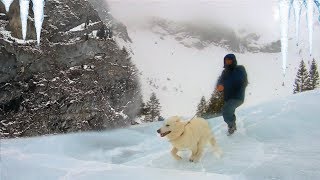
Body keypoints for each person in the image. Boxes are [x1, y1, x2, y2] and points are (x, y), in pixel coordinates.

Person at [217, 54, 248, 135]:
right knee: (229, 111)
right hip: (228, 97)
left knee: (226, 110)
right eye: (226, 60)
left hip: (238, 96)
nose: (227, 61)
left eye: (229, 60)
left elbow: (241, 80)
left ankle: (232, 126)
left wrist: (225, 83)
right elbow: (220, 81)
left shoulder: (240, 68)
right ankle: (232, 124)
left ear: (233, 60)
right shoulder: (224, 72)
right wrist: (219, 86)